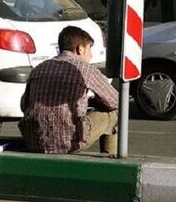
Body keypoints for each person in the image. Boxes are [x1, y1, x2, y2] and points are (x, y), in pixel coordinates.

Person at [18, 26, 119, 155]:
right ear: (80, 49)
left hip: (34, 140)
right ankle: (110, 161)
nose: (91, 55)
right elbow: (115, 101)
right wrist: (98, 102)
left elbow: (24, 105)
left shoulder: (39, 68)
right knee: (114, 113)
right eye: (89, 49)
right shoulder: (84, 68)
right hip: (70, 141)